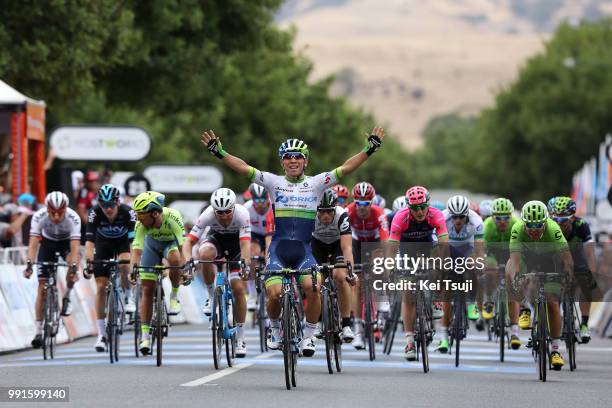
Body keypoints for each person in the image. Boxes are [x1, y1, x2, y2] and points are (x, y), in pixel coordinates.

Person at [201, 126, 384, 357]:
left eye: (298, 157)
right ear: (282, 162)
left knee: (313, 287)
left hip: (304, 250)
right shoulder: (272, 182)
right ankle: (275, 329)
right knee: (274, 294)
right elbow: (243, 167)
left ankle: (309, 335)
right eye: (288, 157)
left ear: (306, 161)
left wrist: (369, 149)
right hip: (279, 249)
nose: (293, 160)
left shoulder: (318, 183)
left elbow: (346, 168)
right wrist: (220, 152)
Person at [182, 188, 251, 357]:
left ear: (233, 208)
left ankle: (240, 337)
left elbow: (245, 245)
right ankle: (211, 295)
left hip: (237, 245)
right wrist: (187, 262)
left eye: (227, 211)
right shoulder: (207, 214)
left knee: (238, 288)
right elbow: (188, 243)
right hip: (216, 240)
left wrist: (246, 264)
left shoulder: (242, 213)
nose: (224, 216)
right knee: (204, 254)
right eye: (219, 212)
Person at [506, 200, 573, 370]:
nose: (534, 229)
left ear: (545, 222)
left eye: (538, 225)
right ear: (524, 223)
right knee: (513, 273)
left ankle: (556, 350)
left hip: (549, 260)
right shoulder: (517, 229)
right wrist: (516, 278)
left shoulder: (553, 228)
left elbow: (566, 257)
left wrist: (568, 274)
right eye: (530, 225)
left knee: (552, 302)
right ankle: (525, 308)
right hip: (527, 258)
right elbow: (515, 260)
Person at [129, 191, 187, 355]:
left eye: (141, 214)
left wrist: (185, 269)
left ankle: (174, 296)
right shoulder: (140, 224)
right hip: (151, 247)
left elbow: (183, 247)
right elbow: (137, 248)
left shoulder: (173, 217)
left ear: (154, 213)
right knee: (147, 289)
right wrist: (134, 268)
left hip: (171, 245)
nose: (138, 218)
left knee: (175, 259)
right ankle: (145, 336)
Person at [23, 192, 82, 348]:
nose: (56, 217)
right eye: (52, 213)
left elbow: (75, 248)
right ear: (47, 209)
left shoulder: (73, 218)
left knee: (72, 265)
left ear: (66, 209)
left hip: (66, 244)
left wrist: (74, 267)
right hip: (47, 244)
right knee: (42, 288)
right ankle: (38, 331)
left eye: (60, 213)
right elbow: (33, 244)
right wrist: (29, 264)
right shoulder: (39, 216)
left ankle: (67, 296)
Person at [84, 184, 136, 352]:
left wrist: (133, 264)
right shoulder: (94, 213)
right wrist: (89, 262)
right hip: (103, 245)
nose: (108, 209)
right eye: (104, 205)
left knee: (124, 262)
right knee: (100, 286)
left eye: (111, 205)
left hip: (122, 243)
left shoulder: (128, 213)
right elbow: (90, 242)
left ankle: (128, 297)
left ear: (118, 202)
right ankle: (101, 335)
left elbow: (133, 243)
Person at [346, 181, 389, 349]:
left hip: (375, 242)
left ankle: (383, 300)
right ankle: (357, 330)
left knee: (379, 264)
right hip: (356, 243)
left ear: (372, 202)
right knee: (356, 283)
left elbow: (385, 240)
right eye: (358, 203)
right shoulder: (348, 211)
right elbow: (343, 238)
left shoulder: (379, 214)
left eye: (366, 203)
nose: (362, 207)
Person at [548, 196, 597, 343]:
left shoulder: (581, 225)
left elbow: (590, 252)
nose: (558, 223)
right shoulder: (549, 226)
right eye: (555, 219)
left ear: (572, 218)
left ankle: (584, 324)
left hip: (577, 257)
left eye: (562, 220)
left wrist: (591, 273)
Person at [311, 188, 356, 342]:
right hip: (317, 245)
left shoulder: (341, 215)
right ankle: (317, 321)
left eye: (329, 212)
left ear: (334, 208)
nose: (325, 216)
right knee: (316, 281)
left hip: (337, 245)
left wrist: (350, 272)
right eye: (321, 212)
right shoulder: (310, 215)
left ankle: (346, 324)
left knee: (340, 276)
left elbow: (347, 247)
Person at [483, 197, 522, 349]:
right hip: (493, 254)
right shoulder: (487, 226)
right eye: (498, 217)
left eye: (506, 217)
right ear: (492, 217)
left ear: (511, 216)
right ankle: (490, 300)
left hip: (511, 254)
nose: (502, 221)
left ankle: (514, 331)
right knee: (490, 270)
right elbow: (480, 250)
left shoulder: (516, 224)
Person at [243, 183, 272, 310]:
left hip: (272, 233)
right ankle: (252, 294)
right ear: (252, 199)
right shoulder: (246, 209)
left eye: (262, 200)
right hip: (255, 234)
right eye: (256, 200)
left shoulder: (274, 206)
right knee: (252, 254)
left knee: (269, 256)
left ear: (267, 198)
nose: (259, 204)